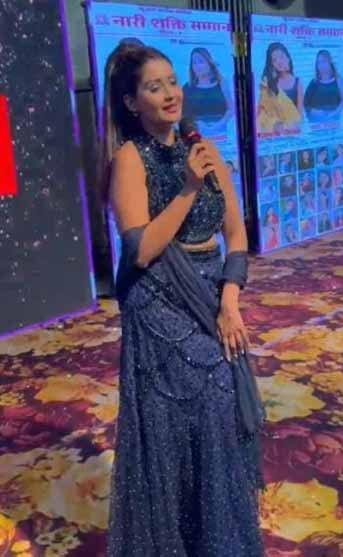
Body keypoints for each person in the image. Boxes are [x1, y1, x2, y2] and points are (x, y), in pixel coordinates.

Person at [99, 44, 264, 556]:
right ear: (132, 103)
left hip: (210, 291)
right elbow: (141, 250)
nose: (171, 93)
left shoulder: (204, 148)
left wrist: (230, 299)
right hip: (158, 298)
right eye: (155, 87)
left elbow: (236, 235)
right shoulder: (130, 159)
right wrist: (189, 187)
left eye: (172, 81)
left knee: (220, 406)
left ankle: (215, 538)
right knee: (188, 412)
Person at [182, 47, 234, 135]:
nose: (197, 66)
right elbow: (182, 114)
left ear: (209, 63)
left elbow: (231, 108)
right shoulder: (187, 87)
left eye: (201, 62)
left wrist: (219, 125)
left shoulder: (222, 83)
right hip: (197, 133)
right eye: (194, 63)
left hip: (220, 132)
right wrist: (195, 125)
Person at [256, 42, 302, 133]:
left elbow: (300, 114)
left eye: (281, 57)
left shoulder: (297, 82)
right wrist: (274, 124)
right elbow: (261, 112)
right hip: (274, 134)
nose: (279, 62)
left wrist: (293, 127)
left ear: (288, 58)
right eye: (274, 60)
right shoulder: (267, 85)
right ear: (272, 64)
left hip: (293, 132)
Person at [304, 49, 343, 122]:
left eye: (324, 61)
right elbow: (305, 103)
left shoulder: (338, 80)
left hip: (334, 121)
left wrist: (335, 113)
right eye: (318, 63)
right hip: (316, 122)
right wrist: (315, 112)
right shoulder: (314, 82)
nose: (321, 65)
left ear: (330, 62)